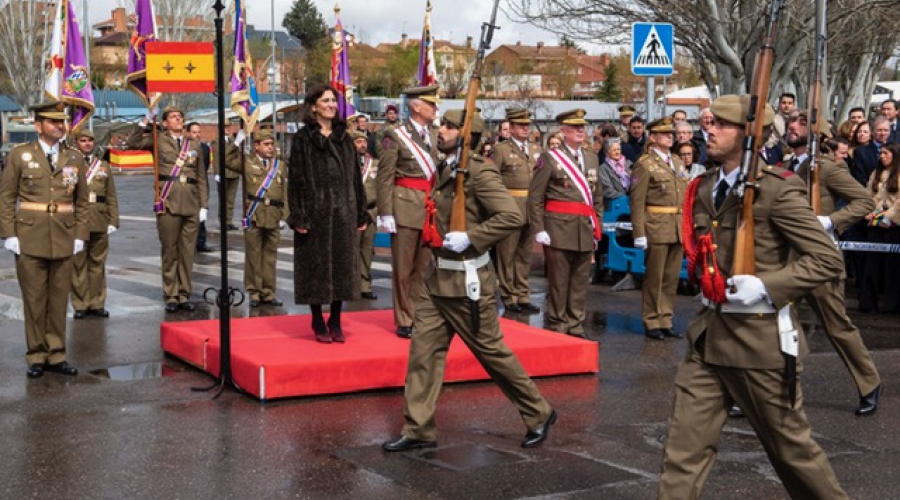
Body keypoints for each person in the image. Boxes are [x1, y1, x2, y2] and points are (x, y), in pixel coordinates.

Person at [659, 94, 848, 500]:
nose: (709, 129)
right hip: (708, 337)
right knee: (682, 455)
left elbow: (825, 259)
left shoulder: (777, 191)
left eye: (722, 125)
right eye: (709, 122)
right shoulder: (706, 187)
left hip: (759, 345)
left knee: (792, 454)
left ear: (751, 136)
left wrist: (766, 286)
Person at [382, 109, 556, 453]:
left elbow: (510, 215)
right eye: (441, 124)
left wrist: (473, 237)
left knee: (492, 353)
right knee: (423, 355)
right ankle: (418, 428)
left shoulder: (479, 173)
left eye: (448, 126)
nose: (441, 130)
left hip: (468, 282)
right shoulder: (447, 169)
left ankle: (539, 412)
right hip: (438, 279)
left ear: (468, 135)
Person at [791, 123, 882, 416]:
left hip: (821, 261)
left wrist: (829, 221)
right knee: (775, 327)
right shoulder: (783, 166)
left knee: (838, 328)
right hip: (788, 262)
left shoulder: (826, 168)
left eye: (801, 121)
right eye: (790, 121)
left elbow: (864, 201)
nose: (792, 125)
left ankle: (869, 383)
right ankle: (781, 392)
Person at [0, 100, 89, 378]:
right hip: (29, 235)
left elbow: (82, 201)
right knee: (35, 299)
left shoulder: (74, 157)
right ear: (38, 126)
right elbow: (6, 198)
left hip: (63, 234)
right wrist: (9, 234)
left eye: (62, 122)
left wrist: (80, 235)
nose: (60, 126)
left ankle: (57, 354)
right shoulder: (19, 155)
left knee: (59, 298)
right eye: (53, 122)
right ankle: (36, 355)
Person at [287, 85, 367, 343]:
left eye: (334, 100)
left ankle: (335, 318)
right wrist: (299, 215)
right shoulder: (302, 139)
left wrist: (361, 212)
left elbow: (356, 178)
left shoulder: (345, 138)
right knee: (316, 267)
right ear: (313, 106)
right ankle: (316, 318)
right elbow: (296, 179)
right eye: (326, 100)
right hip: (315, 212)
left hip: (343, 210)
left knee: (342, 265)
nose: (332, 105)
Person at [527, 109, 603, 337]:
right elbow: (536, 197)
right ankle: (558, 322)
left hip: (584, 226)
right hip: (558, 227)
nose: (581, 130)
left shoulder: (591, 157)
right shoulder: (549, 159)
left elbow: (596, 196)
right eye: (575, 127)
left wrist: (596, 224)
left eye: (583, 127)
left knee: (580, 280)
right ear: (563, 131)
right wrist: (539, 229)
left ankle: (575, 323)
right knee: (559, 281)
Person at [126, 106, 209, 312]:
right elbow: (132, 143)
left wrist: (204, 205)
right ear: (164, 123)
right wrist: (145, 120)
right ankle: (171, 294)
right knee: (170, 250)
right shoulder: (158, 139)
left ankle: (184, 294)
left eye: (180, 116)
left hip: (190, 203)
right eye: (173, 117)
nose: (178, 119)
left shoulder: (195, 145)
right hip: (168, 201)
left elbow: (200, 177)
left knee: (187, 252)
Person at [376, 85, 442, 339]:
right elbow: (385, 176)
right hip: (404, 206)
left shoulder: (435, 135)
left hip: (429, 207)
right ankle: (404, 317)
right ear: (416, 106)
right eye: (431, 104)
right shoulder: (395, 135)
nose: (435, 109)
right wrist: (386, 212)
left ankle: (419, 313)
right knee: (403, 268)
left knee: (424, 267)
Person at [629, 117, 687, 340]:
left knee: (671, 277)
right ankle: (652, 319)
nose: (670, 137)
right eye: (664, 134)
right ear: (652, 137)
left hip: (676, 226)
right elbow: (637, 201)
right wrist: (639, 233)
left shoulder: (677, 162)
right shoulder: (645, 164)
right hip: (656, 226)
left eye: (671, 133)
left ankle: (666, 318)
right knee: (655, 277)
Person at [226, 129, 288, 308]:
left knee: (270, 256)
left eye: (272, 144)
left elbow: (284, 191)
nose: (271, 148)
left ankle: (268, 292)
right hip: (255, 214)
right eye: (267, 144)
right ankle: (254, 292)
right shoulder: (247, 162)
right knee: (253, 255)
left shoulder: (279, 165)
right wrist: (236, 143)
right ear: (256, 146)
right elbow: (227, 161)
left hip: (274, 215)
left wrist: (285, 215)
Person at [491, 108, 542, 314]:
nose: (525, 129)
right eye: (520, 125)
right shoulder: (501, 150)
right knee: (507, 255)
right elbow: (492, 180)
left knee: (524, 255)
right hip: (510, 206)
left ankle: (522, 294)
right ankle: (508, 295)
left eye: (527, 125)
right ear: (510, 128)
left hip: (530, 207)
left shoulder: (536, 150)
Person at [70, 129, 119, 319]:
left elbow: (111, 195)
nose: (87, 144)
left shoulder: (104, 165)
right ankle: (81, 304)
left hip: (99, 219)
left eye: (90, 140)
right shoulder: (70, 164)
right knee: (78, 265)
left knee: (98, 264)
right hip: (77, 221)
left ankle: (97, 302)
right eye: (83, 140)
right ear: (76, 143)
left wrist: (113, 219)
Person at [859, 142, 900, 314]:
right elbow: (868, 195)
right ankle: (868, 303)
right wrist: (869, 212)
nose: (882, 156)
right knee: (871, 265)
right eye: (880, 153)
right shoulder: (875, 174)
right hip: (874, 223)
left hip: (894, 225)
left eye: (886, 153)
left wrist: (888, 217)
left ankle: (893, 305)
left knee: (893, 269)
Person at [353, 130, 379, 300]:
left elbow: (381, 188)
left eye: (364, 141)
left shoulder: (375, 163)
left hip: (371, 211)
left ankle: (365, 285)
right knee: (353, 250)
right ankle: (353, 285)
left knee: (367, 250)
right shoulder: (347, 163)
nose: (362, 144)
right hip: (354, 211)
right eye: (358, 141)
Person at [187, 122, 214, 252]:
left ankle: (201, 242)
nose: (197, 135)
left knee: (201, 216)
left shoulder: (204, 147)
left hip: (202, 184)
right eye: (194, 132)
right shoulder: (184, 147)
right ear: (188, 133)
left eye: (198, 132)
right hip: (188, 185)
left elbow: (205, 166)